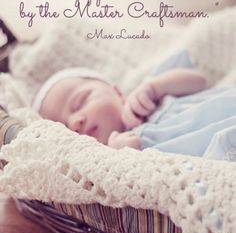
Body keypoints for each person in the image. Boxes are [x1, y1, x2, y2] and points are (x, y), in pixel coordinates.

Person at [33, 52, 236, 161]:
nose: (75, 122)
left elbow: (199, 81)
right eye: (64, 129)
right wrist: (118, 157)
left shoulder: (150, 94)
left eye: (81, 101)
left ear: (118, 93)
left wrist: (154, 88)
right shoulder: (109, 159)